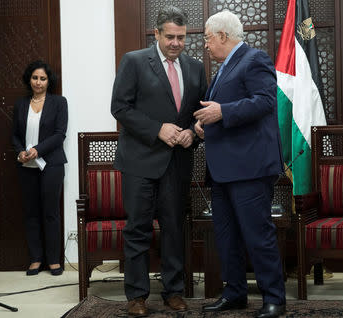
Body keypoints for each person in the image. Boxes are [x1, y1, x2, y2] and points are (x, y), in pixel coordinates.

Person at [110, 6, 207, 316]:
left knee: (174, 228)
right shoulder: (134, 61)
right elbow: (120, 108)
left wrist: (194, 132)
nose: (176, 43)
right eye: (170, 37)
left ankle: (174, 291)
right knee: (138, 228)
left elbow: (199, 113)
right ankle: (136, 295)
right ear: (157, 34)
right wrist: (157, 129)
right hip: (139, 161)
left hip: (177, 163)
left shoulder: (194, 68)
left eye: (181, 37)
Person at [194, 10, 286, 318]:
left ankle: (274, 298)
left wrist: (222, 112)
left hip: (250, 168)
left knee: (258, 235)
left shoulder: (254, 59)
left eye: (207, 38)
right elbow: (222, 110)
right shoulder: (224, 68)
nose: (205, 45)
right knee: (226, 237)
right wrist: (206, 125)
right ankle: (234, 293)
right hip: (222, 170)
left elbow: (265, 101)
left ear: (222, 36)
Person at [12, 60, 68, 277]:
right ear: (29, 79)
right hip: (26, 165)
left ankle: (53, 260)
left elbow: (59, 134)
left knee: (51, 213)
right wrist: (20, 152)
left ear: (48, 81)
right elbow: (15, 135)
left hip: (51, 164)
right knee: (31, 213)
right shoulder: (20, 104)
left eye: (42, 78)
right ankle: (35, 259)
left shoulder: (59, 102)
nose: (38, 82)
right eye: (35, 78)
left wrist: (37, 149)